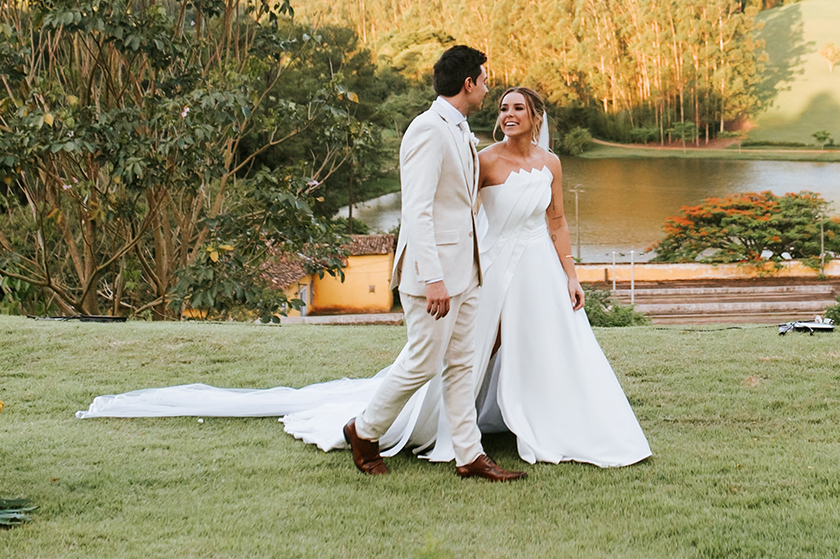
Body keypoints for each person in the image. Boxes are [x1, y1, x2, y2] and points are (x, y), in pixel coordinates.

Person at [76, 75, 650, 471]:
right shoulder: (482, 159)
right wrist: (439, 271)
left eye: (516, 108)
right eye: (499, 104)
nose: (505, 113)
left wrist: (571, 273)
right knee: (465, 354)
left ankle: (547, 421)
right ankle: (424, 432)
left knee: (549, 345)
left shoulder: (549, 163)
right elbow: (448, 212)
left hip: (541, 274)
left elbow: (555, 224)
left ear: (536, 118)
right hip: (490, 265)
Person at [341, 44, 524, 481]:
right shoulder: (427, 129)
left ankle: (469, 455)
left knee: (463, 362)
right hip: (435, 277)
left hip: (467, 271)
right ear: (468, 84)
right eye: (484, 80)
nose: (487, 88)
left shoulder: (459, 128)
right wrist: (434, 279)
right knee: (422, 361)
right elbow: (418, 210)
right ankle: (364, 431)